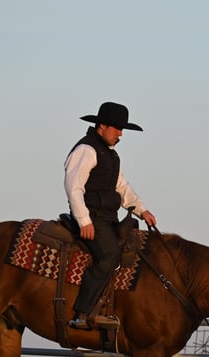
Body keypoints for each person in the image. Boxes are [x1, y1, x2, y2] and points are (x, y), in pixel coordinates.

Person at [64, 102, 157, 330]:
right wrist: (84, 221)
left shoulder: (111, 155)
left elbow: (122, 187)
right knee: (109, 255)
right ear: (102, 126)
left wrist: (141, 209)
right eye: (116, 128)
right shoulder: (86, 150)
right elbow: (73, 186)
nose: (120, 134)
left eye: (122, 129)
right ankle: (83, 314)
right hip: (91, 216)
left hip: (107, 218)